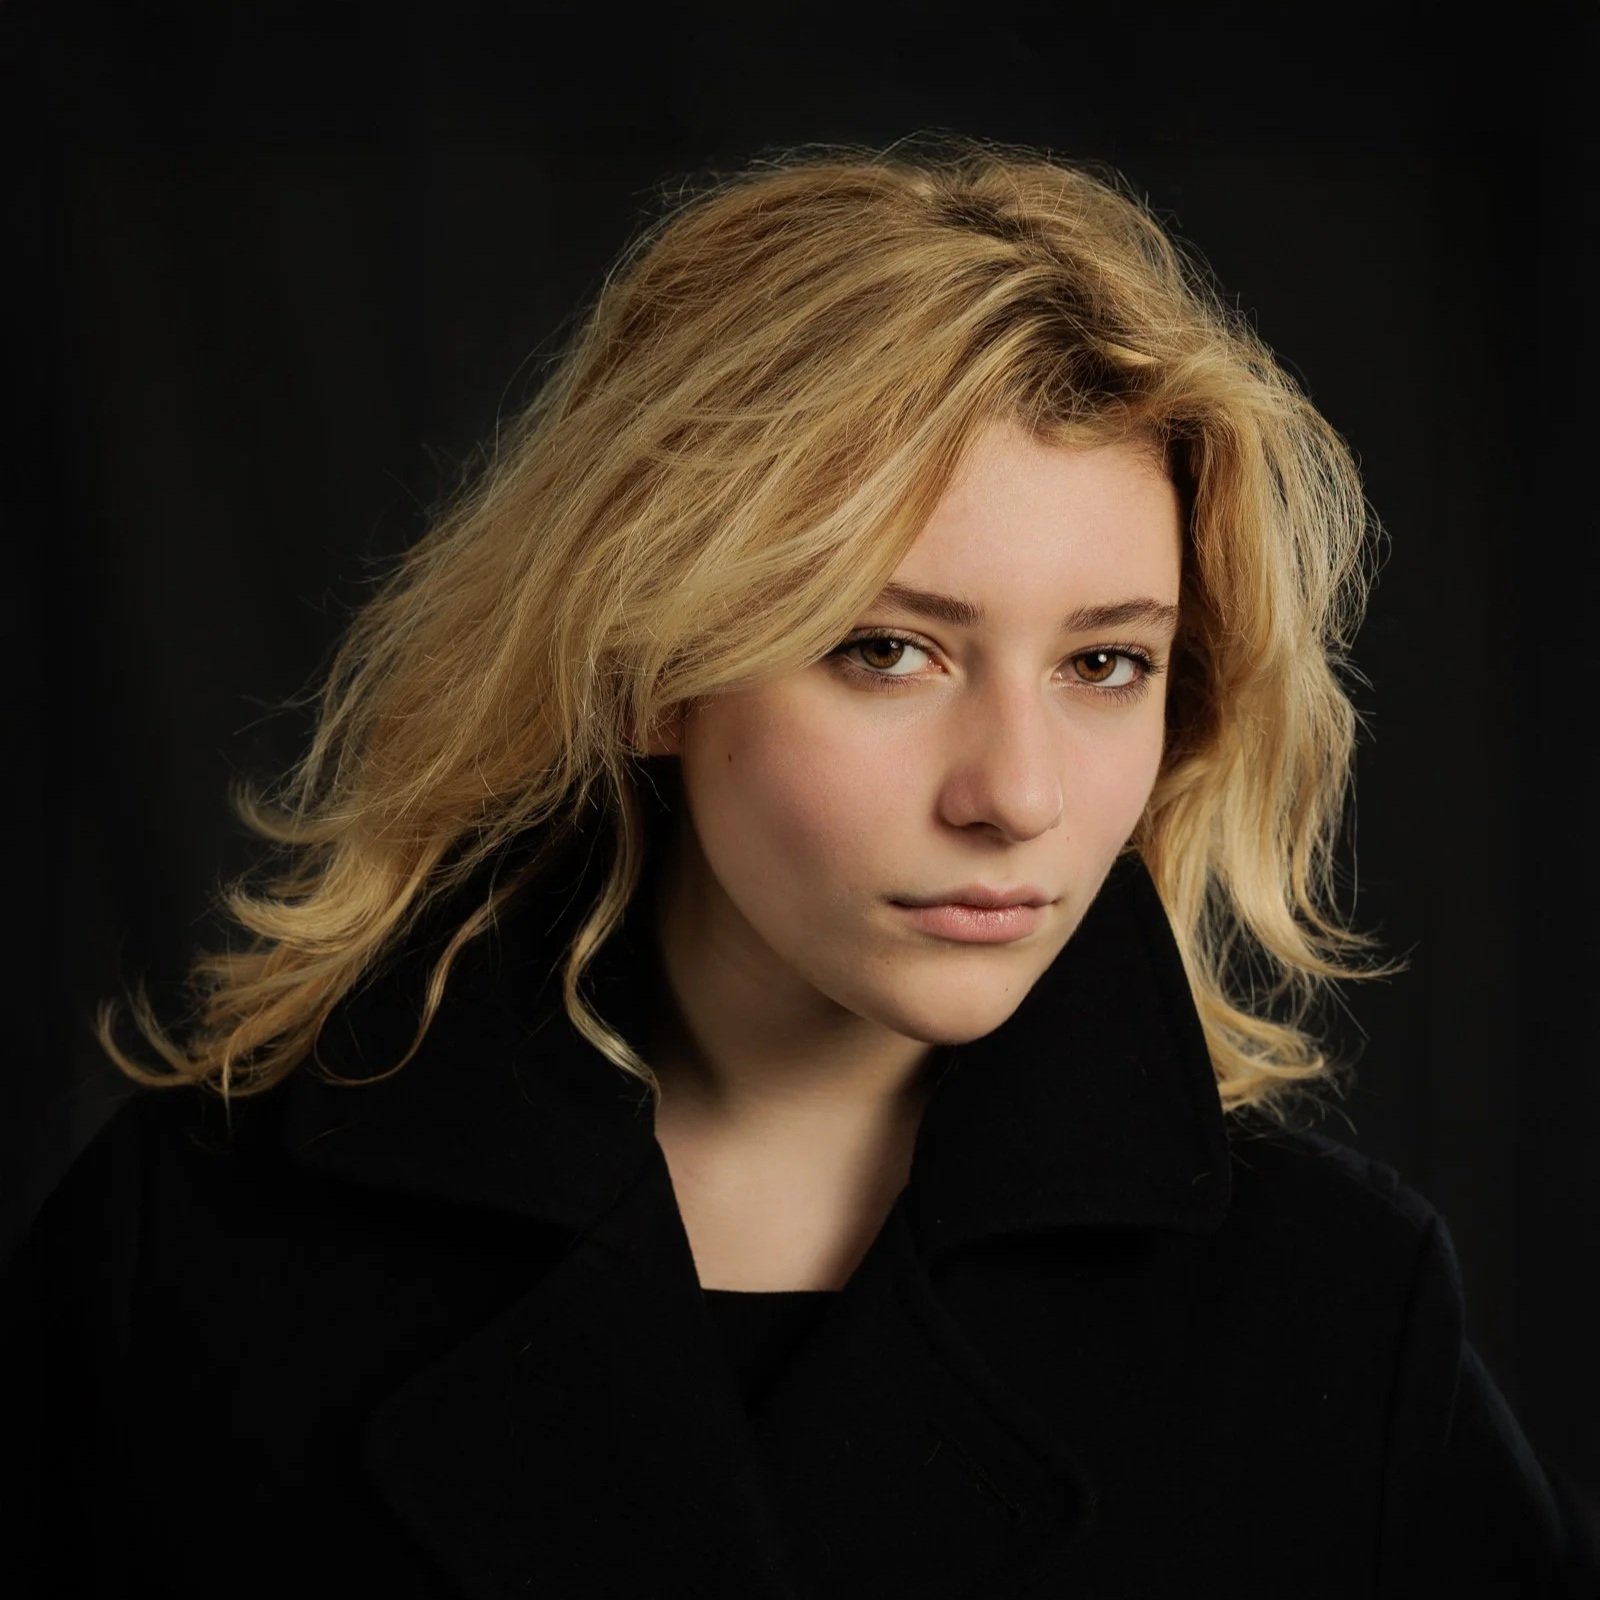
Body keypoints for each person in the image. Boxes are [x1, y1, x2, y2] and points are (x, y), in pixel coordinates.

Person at [5, 134, 1596, 1598]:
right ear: (649, 668)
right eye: (888, 650)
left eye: (1107, 664)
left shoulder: (1327, 1313)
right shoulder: (198, 1254)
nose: (1017, 794)